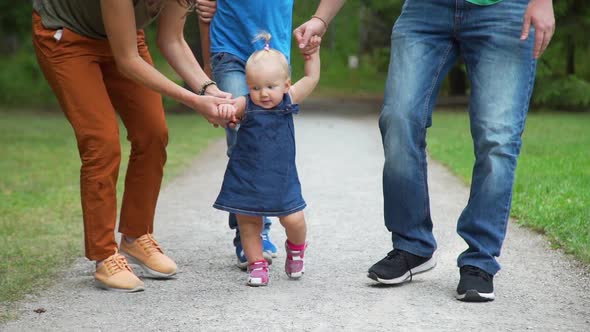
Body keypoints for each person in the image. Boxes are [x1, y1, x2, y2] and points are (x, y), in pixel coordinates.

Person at [32, 0, 233, 292]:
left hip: (125, 36)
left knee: (153, 132)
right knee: (101, 142)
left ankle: (136, 236)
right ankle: (104, 256)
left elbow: (172, 40)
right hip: (67, 37)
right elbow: (127, 60)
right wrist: (194, 101)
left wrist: (208, 89)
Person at [365, 0, 556, 302]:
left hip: (505, 9)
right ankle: (412, 245)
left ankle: (480, 261)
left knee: (497, 136)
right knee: (399, 118)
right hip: (425, 9)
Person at [195, 0, 323, 270]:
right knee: (239, 134)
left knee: (265, 131)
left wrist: (316, 33)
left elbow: (310, 80)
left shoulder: (286, 89)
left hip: (272, 52)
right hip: (227, 46)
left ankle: (261, 228)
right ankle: (251, 231)